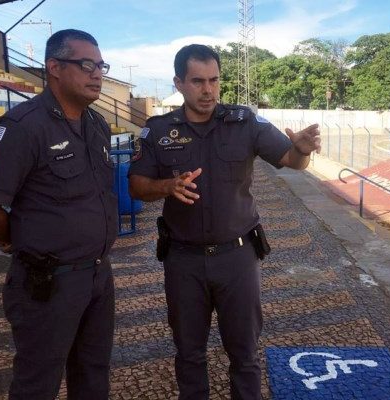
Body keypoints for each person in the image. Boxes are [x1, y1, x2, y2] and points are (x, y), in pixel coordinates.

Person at [128, 44, 321, 400]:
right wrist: (166, 186)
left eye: (214, 80)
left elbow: (292, 161)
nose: (208, 90)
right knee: (189, 353)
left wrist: (303, 151)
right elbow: (136, 186)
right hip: (183, 259)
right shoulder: (157, 130)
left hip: (238, 258)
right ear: (179, 83)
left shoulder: (244, 122)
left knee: (245, 354)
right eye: (198, 81)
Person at [0, 29, 117, 400]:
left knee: (94, 376)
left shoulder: (97, 126)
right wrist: (24, 238)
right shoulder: (21, 127)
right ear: (54, 68)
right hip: (48, 283)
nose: (97, 74)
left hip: (97, 275)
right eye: (86, 65)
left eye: (100, 66)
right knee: (37, 384)